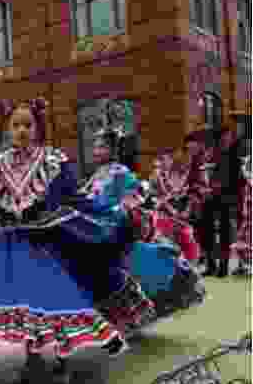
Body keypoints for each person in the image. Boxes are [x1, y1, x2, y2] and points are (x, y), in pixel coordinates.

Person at [0, 98, 155, 384]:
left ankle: (61, 360)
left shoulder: (53, 162)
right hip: (11, 245)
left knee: (55, 298)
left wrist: (113, 211)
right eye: (16, 125)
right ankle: (32, 360)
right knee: (25, 304)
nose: (22, 130)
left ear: (38, 128)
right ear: (7, 130)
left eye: (28, 124)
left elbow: (75, 198)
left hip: (49, 243)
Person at [78, 127, 205, 321]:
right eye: (95, 147)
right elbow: (88, 198)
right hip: (97, 226)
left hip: (112, 228)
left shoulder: (120, 172)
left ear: (113, 150)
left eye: (102, 147)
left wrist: (117, 210)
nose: (96, 152)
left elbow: (134, 196)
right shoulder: (97, 174)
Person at [199, 128, 240, 277]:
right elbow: (202, 174)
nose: (227, 140)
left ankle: (223, 267)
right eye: (225, 138)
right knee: (207, 231)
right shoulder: (210, 155)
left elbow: (237, 180)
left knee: (225, 233)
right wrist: (205, 188)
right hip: (209, 198)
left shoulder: (234, 157)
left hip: (226, 199)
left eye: (229, 138)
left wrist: (219, 186)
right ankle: (211, 265)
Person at [231, 152, 251, 275]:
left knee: (244, 242)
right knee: (239, 243)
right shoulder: (246, 185)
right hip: (245, 215)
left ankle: (247, 266)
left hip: (248, 216)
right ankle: (244, 266)